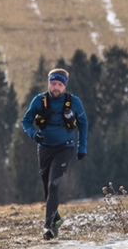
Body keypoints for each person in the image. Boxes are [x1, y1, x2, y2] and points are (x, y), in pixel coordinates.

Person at [21, 68, 88, 240]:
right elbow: (26, 121)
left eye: (59, 84)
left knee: (53, 185)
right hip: (44, 148)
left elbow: (83, 124)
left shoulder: (74, 102)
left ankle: (48, 227)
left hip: (65, 148)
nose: (56, 87)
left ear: (65, 86)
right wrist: (33, 134)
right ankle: (56, 219)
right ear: (48, 84)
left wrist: (82, 147)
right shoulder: (39, 100)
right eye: (53, 83)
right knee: (47, 188)